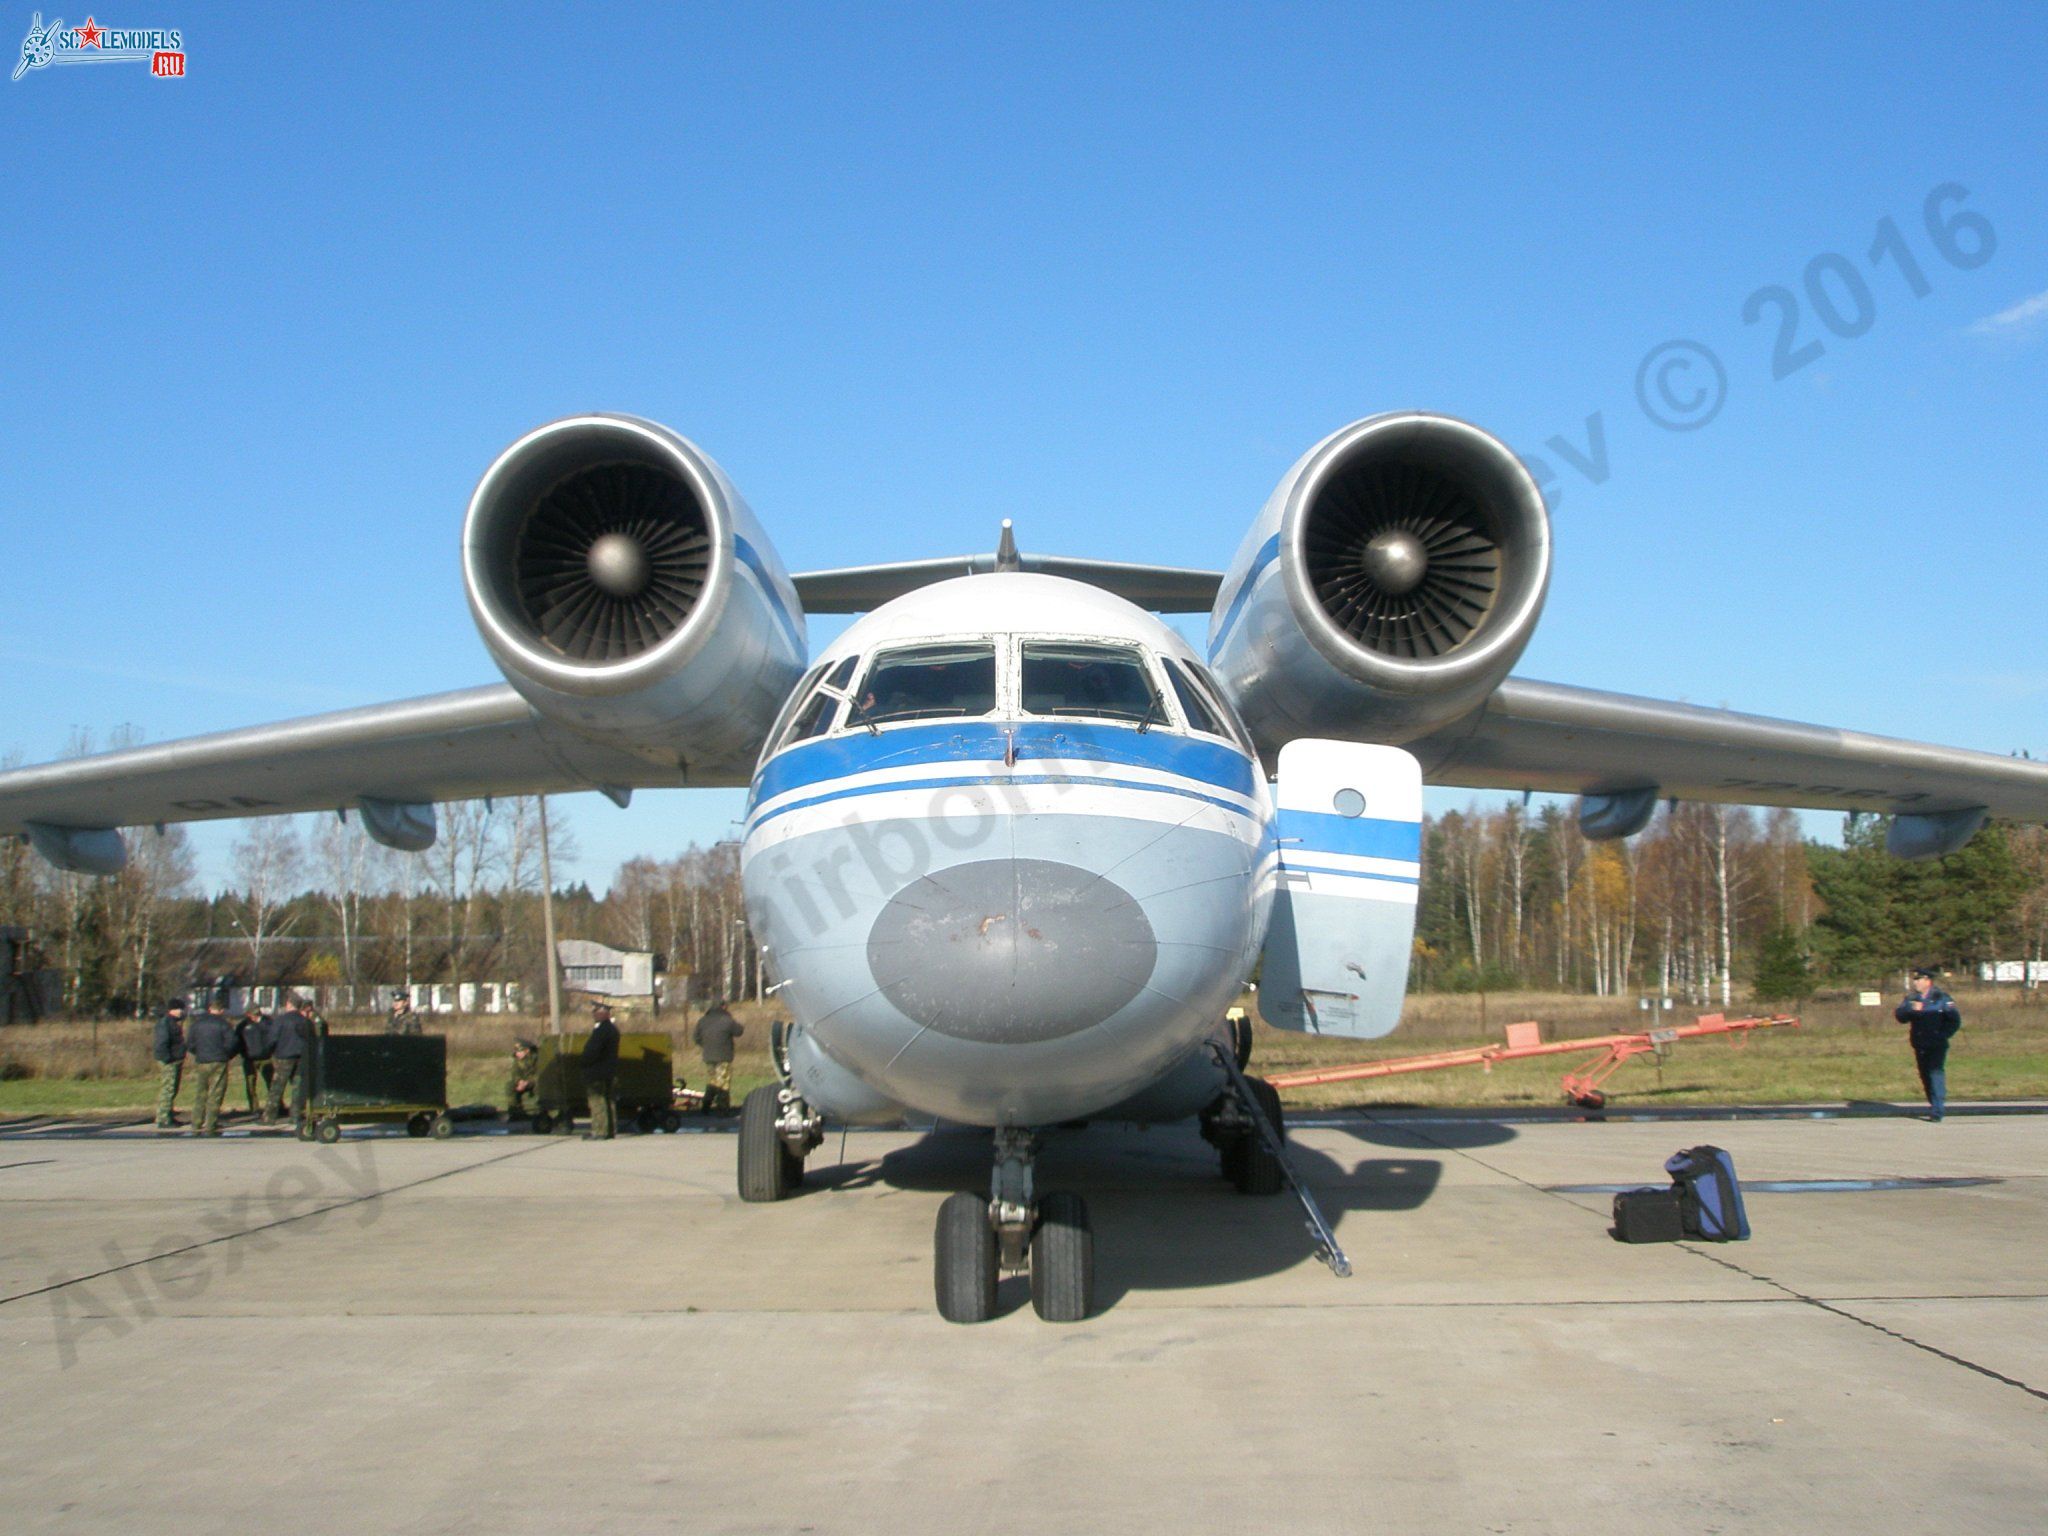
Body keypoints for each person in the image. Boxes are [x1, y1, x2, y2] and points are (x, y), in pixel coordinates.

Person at [1895, 966, 1963, 1121]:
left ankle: (1938, 1110)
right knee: (1925, 1075)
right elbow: (1900, 1016)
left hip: (1937, 1043)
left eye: (1918, 980)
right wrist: (1911, 1010)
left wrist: (1942, 1035)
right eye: (1915, 980)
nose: (1915, 983)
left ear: (1927, 980)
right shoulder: (1912, 999)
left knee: (1935, 1073)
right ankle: (1934, 1104)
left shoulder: (1941, 998)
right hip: (1920, 1043)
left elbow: (1954, 1020)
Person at [187, 997, 236, 1136]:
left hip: (202, 1060)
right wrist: (226, 1054)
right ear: (221, 1010)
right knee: (216, 1092)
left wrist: (198, 1052)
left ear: (209, 1008)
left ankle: (196, 1121)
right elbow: (232, 1042)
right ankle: (211, 1122)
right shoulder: (224, 1024)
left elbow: (190, 1043)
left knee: (201, 1092)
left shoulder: (197, 1024)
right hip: (219, 1060)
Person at [265, 996, 312, 1126]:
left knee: (277, 1087)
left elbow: (272, 1038)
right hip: (301, 1057)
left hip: (284, 1056)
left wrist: (270, 1050)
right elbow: (311, 1039)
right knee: (298, 1086)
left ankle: (270, 1116)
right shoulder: (305, 1021)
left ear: (289, 1004)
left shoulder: (281, 1020)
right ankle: (295, 1115)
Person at [692, 999, 744, 1114]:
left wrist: (705, 1045)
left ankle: (706, 1105)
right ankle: (723, 1108)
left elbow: (696, 1038)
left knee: (713, 1081)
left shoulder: (703, 1020)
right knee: (723, 1082)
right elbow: (739, 1031)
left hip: (708, 1056)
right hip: (724, 1056)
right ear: (723, 1007)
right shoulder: (727, 1020)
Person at [580, 1003, 621, 1140]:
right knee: (609, 1101)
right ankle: (611, 1129)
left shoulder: (600, 1031)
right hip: (610, 1071)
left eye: (596, 1012)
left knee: (597, 1101)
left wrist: (583, 1062)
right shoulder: (613, 1029)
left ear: (603, 1014)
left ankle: (600, 1130)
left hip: (597, 1072)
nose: (594, 1014)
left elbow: (592, 1052)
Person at [152, 998, 189, 1132]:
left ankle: (168, 1114)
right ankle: (163, 1118)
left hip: (175, 1059)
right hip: (169, 1061)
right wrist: (168, 1058)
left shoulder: (173, 1022)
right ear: (174, 1009)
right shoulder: (165, 1023)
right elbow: (162, 1043)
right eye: (180, 1009)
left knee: (173, 1089)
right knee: (168, 1089)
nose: (182, 1011)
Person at [234, 1004, 274, 1115]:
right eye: (252, 1014)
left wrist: (270, 1050)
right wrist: (241, 1052)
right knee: (250, 1085)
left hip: (265, 1058)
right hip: (248, 1059)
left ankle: (275, 1107)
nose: (254, 1016)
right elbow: (237, 1040)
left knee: (271, 1084)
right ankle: (254, 1108)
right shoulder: (243, 1025)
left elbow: (273, 1037)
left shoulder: (268, 1022)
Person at [505, 1038, 540, 1119]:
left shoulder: (538, 1058)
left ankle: (539, 1113)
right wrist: (520, 1081)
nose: (517, 1053)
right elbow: (515, 1073)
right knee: (510, 1086)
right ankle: (515, 1113)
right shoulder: (518, 1060)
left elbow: (541, 1074)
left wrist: (528, 1082)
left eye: (519, 1051)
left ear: (527, 1050)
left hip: (535, 1082)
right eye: (516, 1051)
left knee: (539, 1087)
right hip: (523, 1083)